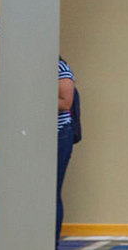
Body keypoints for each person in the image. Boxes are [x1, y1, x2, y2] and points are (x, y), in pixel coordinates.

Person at [56, 57, 77, 244]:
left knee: (53, 191)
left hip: (59, 136)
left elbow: (65, 103)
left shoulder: (60, 68)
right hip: (38, 137)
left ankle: (52, 242)